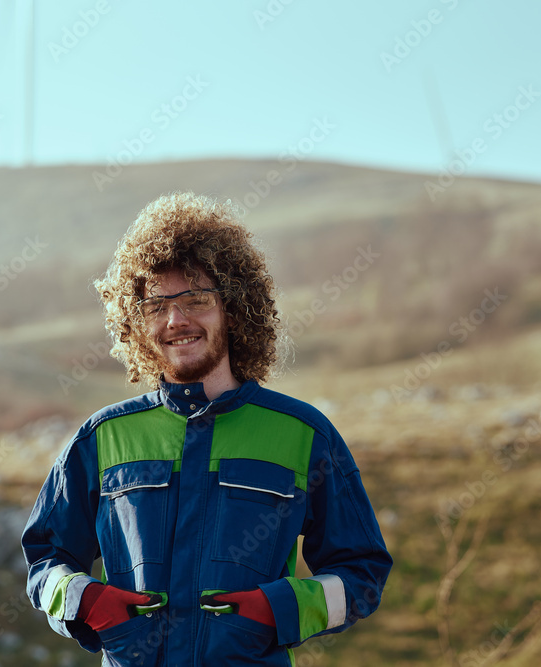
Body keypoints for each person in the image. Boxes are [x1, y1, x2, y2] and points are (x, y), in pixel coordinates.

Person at [21, 192, 392, 666]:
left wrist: (278, 610)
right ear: (136, 322)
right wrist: (87, 602)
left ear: (234, 308)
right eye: (156, 306)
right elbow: (45, 558)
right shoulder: (101, 439)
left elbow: (362, 572)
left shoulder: (305, 436)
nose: (177, 320)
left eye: (195, 299)